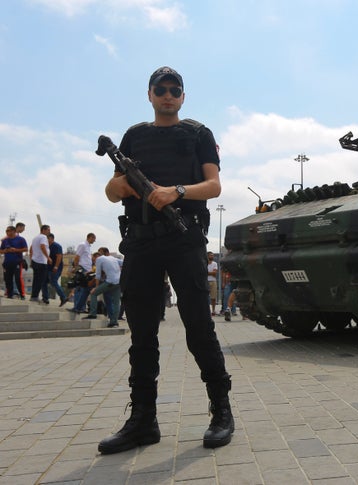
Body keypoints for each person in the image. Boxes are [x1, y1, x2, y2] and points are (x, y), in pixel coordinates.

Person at [98, 66, 233, 454]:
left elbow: (213, 185)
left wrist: (175, 191)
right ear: (150, 94)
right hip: (140, 244)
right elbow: (112, 190)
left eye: (175, 90)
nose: (168, 95)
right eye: (161, 89)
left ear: (183, 97)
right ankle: (143, 420)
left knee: (198, 327)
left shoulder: (197, 134)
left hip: (184, 239)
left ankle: (221, 411)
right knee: (142, 334)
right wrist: (121, 185)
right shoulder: (134, 137)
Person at [83, 248, 122, 327]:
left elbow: (97, 275)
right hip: (119, 282)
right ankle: (114, 322)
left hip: (110, 281)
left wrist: (96, 287)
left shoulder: (99, 259)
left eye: (93, 260)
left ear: (96, 257)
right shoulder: (112, 258)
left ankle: (93, 314)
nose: (94, 262)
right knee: (116, 303)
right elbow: (124, 263)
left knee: (93, 293)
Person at [69, 233, 96, 313]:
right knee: (79, 289)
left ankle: (81, 308)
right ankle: (77, 307)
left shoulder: (88, 246)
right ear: (90, 237)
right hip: (82, 268)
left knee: (84, 290)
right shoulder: (83, 245)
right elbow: (77, 257)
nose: (94, 240)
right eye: (94, 238)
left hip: (87, 270)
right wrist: (75, 267)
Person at [1, 226, 28, 299]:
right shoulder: (5, 241)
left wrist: (15, 250)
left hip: (17, 262)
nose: (7, 232)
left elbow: (26, 249)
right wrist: (5, 251)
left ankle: (22, 295)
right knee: (7, 279)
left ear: (14, 231)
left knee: (17, 278)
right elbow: (1, 251)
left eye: (9, 231)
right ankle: (10, 295)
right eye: (6, 231)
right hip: (7, 263)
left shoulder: (21, 239)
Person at [29, 224, 52, 304]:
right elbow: (42, 246)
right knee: (40, 280)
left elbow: (31, 248)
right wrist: (48, 257)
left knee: (36, 280)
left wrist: (31, 259)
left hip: (35, 260)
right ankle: (35, 296)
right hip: (41, 262)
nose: (49, 231)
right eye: (48, 230)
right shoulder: (43, 237)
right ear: (43, 230)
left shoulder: (35, 237)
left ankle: (33, 296)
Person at [47, 233, 68, 306]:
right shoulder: (47, 246)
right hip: (49, 267)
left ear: (52, 239)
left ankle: (63, 297)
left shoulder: (56, 246)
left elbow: (59, 257)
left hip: (56, 267)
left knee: (53, 281)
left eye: (48, 238)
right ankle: (45, 297)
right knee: (48, 282)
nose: (46, 240)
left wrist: (56, 267)